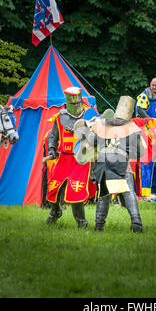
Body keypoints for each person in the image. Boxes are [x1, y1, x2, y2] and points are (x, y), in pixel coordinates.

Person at [77, 96, 146, 232]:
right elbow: (140, 153)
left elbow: (90, 141)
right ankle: (136, 223)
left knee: (104, 195)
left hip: (103, 162)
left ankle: (99, 226)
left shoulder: (101, 125)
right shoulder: (132, 128)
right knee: (128, 192)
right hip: (121, 161)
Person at [45, 87, 90, 228]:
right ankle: (55, 211)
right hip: (64, 159)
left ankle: (82, 222)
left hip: (80, 159)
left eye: (78, 103)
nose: (76, 105)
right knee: (53, 187)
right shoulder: (60, 117)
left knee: (75, 190)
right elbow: (53, 136)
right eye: (74, 103)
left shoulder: (89, 117)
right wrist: (52, 149)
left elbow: (97, 137)